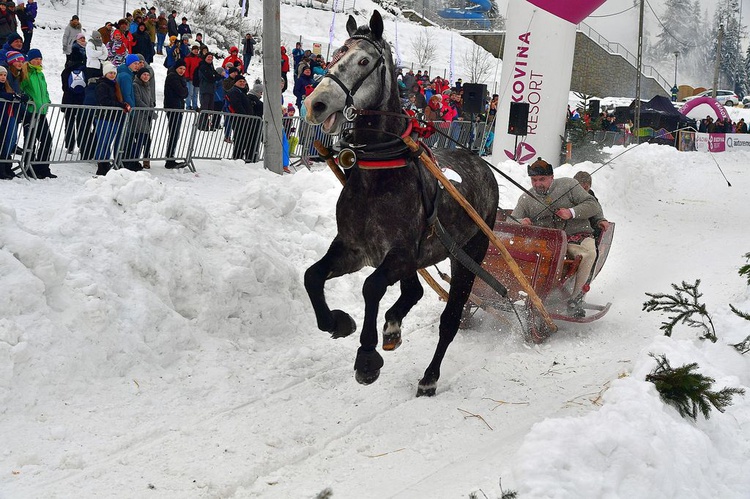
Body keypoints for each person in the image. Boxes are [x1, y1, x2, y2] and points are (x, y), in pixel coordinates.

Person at [511, 158, 603, 317]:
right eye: (534, 180)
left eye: (542, 179)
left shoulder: (569, 185)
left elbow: (593, 205)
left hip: (576, 237)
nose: (537, 183)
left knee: (589, 255)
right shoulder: (526, 198)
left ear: (552, 177)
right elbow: (511, 220)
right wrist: (520, 222)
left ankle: (576, 299)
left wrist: (571, 212)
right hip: (547, 244)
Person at [19, 48, 54, 178]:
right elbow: (21, 89)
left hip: (41, 112)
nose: (38, 61)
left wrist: (47, 99)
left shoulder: (40, 74)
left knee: (47, 140)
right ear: (30, 59)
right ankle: (29, 166)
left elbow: (44, 90)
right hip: (31, 112)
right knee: (30, 141)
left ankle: (43, 167)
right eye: (35, 59)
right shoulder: (26, 72)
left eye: (40, 59)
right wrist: (27, 100)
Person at [94, 61, 129, 175]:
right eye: (110, 73)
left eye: (114, 73)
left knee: (108, 141)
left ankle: (105, 162)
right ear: (105, 74)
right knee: (103, 141)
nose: (112, 75)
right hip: (104, 117)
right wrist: (120, 105)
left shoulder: (114, 85)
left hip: (113, 117)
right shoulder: (102, 85)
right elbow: (104, 101)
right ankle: (101, 164)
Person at [0, 64, 25, 179]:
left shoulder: (7, 87)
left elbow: (13, 96)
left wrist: (18, 97)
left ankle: (7, 166)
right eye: (0, 75)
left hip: (8, 116)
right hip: (3, 117)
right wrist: (13, 96)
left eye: (5, 75)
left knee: (9, 140)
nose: (3, 77)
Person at [61, 47, 87, 154]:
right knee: (81, 124)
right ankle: (82, 145)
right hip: (81, 100)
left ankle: (70, 145)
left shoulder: (66, 70)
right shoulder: (85, 69)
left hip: (68, 100)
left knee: (69, 122)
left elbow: (64, 87)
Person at [162, 59, 187, 168]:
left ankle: (170, 157)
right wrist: (184, 89)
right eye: (180, 68)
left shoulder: (179, 77)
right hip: (173, 108)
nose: (182, 71)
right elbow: (183, 92)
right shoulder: (173, 76)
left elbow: (184, 92)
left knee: (175, 133)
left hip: (177, 107)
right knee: (174, 133)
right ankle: (169, 159)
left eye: (184, 69)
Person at [573, 170, 610, 241]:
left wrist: (600, 221)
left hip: (586, 233)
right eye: (579, 188)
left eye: (585, 188)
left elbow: (597, 213)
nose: (583, 191)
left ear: (589, 187)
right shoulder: (567, 196)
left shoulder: (592, 200)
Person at [131, 66, 154, 166]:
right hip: (139, 116)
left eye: (148, 75)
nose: (146, 76)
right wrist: (149, 110)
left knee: (147, 139)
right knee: (140, 138)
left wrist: (152, 108)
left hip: (147, 115)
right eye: (144, 74)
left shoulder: (147, 86)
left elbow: (150, 100)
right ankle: (135, 160)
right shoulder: (136, 85)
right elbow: (138, 100)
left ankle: (146, 159)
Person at [196, 52, 223, 130]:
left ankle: (206, 124)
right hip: (205, 89)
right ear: (205, 58)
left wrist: (215, 76)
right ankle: (202, 124)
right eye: (209, 57)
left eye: (211, 57)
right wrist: (215, 76)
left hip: (211, 89)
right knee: (205, 107)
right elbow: (209, 77)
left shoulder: (211, 66)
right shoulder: (203, 66)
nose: (210, 59)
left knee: (209, 108)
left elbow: (216, 76)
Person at [183, 44, 200, 110]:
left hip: (196, 79)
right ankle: (188, 105)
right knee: (190, 93)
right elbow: (186, 68)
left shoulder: (199, 59)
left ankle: (195, 106)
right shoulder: (188, 58)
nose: (196, 51)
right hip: (190, 78)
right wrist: (186, 76)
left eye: (197, 50)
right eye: (195, 50)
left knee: (195, 94)